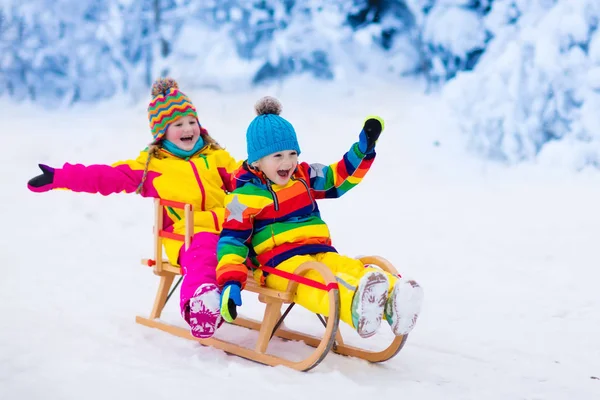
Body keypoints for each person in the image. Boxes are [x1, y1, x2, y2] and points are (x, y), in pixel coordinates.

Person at [27, 78, 241, 339]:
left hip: (229, 228)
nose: (188, 129)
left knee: (257, 237)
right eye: (178, 124)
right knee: (204, 252)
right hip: (187, 235)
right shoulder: (152, 166)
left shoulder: (215, 156)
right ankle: (200, 304)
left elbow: (244, 178)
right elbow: (106, 177)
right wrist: (60, 177)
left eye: (191, 122)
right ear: (162, 132)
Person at [215, 96, 423, 339]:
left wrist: (363, 150)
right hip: (279, 264)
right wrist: (230, 282)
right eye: (278, 156)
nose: (288, 162)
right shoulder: (244, 197)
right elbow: (232, 241)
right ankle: (355, 304)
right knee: (314, 282)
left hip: (320, 250)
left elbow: (338, 178)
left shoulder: (304, 176)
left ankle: (395, 298)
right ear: (257, 161)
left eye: (293, 153)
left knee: (347, 267)